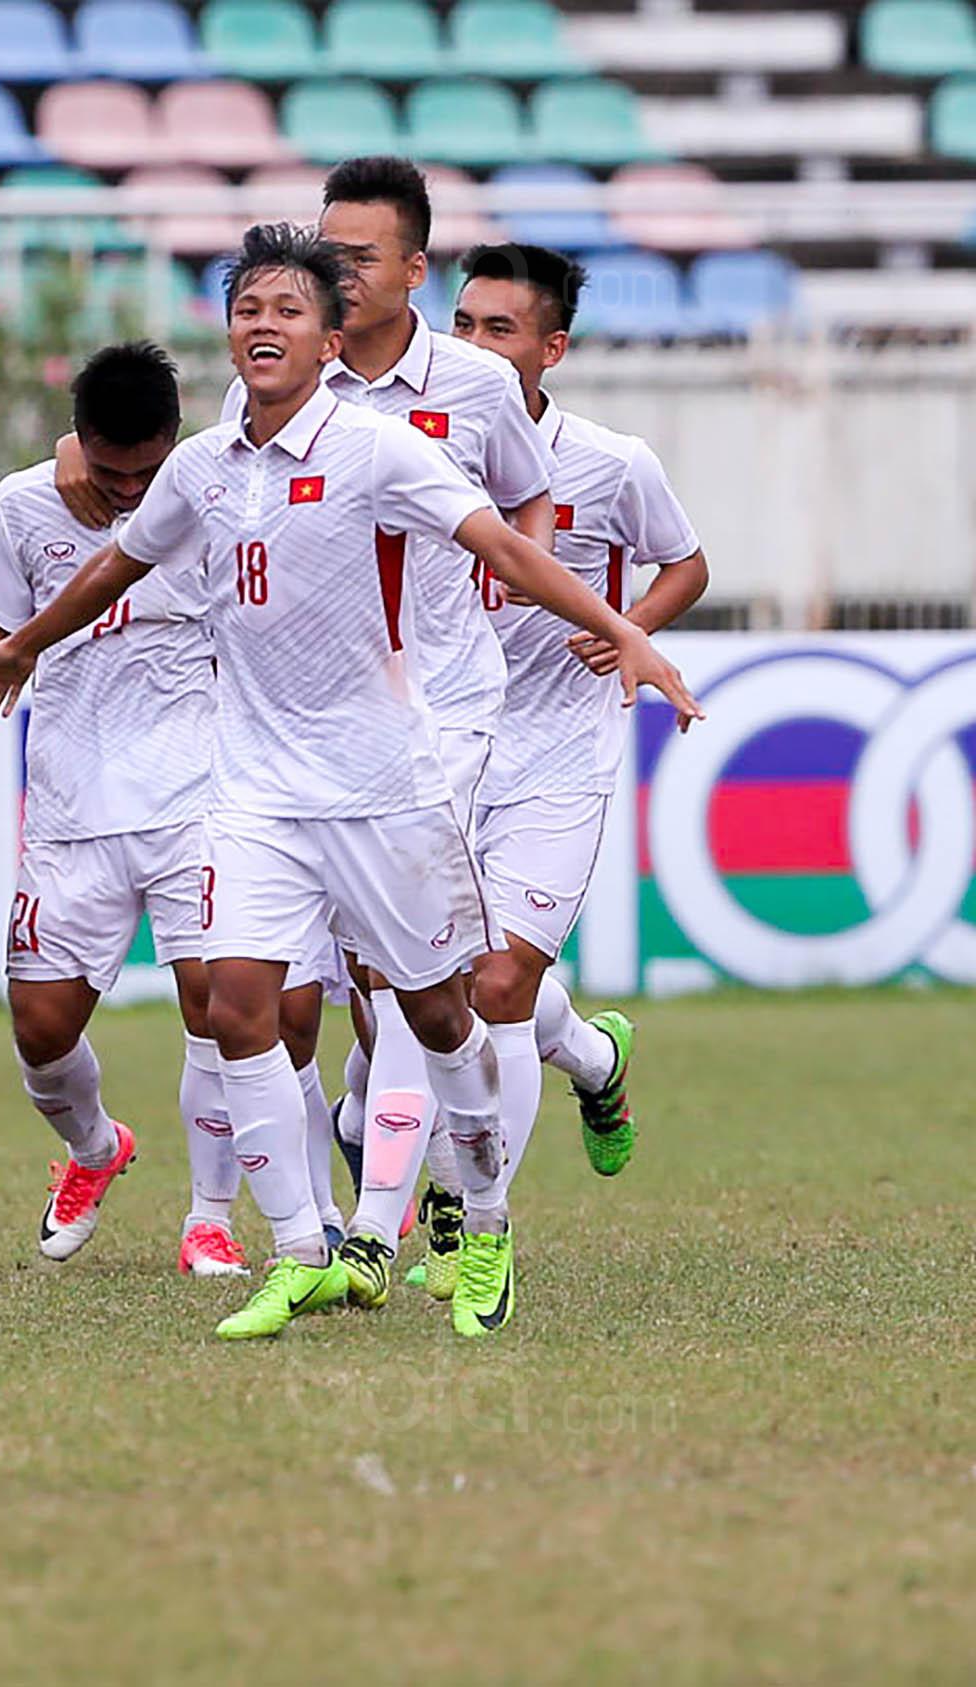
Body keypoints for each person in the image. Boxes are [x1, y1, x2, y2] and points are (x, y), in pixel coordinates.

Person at [0, 224, 703, 1341]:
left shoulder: (379, 451)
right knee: (238, 1006)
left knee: (438, 1012)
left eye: (288, 310)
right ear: (230, 333)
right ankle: (302, 1250)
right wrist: (21, 644)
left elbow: (506, 546)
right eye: (247, 307)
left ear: (328, 340)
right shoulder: (203, 465)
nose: (264, 324)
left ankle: (485, 1219)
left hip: (384, 783)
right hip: (255, 792)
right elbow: (120, 561)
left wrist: (625, 629)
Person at [61, 155, 559, 1292]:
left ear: (408, 273)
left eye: (352, 258)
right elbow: (160, 512)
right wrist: (25, 616)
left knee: (416, 994)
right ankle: (313, 1236)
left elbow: (520, 513)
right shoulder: (241, 418)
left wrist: (568, 609)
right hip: (271, 762)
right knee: (262, 1000)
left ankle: (429, 1217)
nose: (332, 273)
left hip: (428, 726)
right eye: (316, 258)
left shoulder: (465, 393)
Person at [0, 342, 258, 1279]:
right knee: (41, 1027)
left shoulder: (217, 497)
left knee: (219, 1004)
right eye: (109, 473)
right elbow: (0, 634)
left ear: (178, 439)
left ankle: (210, 1219)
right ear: (78, 440)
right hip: (71, 804)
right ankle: (97, 1148)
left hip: (198, 797)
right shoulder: (24, 503)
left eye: (147, 472)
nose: (130, 491)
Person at [449, 240, 709, 1216]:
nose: (475, 345)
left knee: (501, 982)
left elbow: (687, 563)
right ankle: (597, 1058)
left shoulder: (610, 462)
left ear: (551, 348)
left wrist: (628, 627)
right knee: (434, 988)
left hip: (558, 750)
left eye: (500, 328)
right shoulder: (410, 447)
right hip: (433, 752)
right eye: (462, 324)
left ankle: (470, 1225)